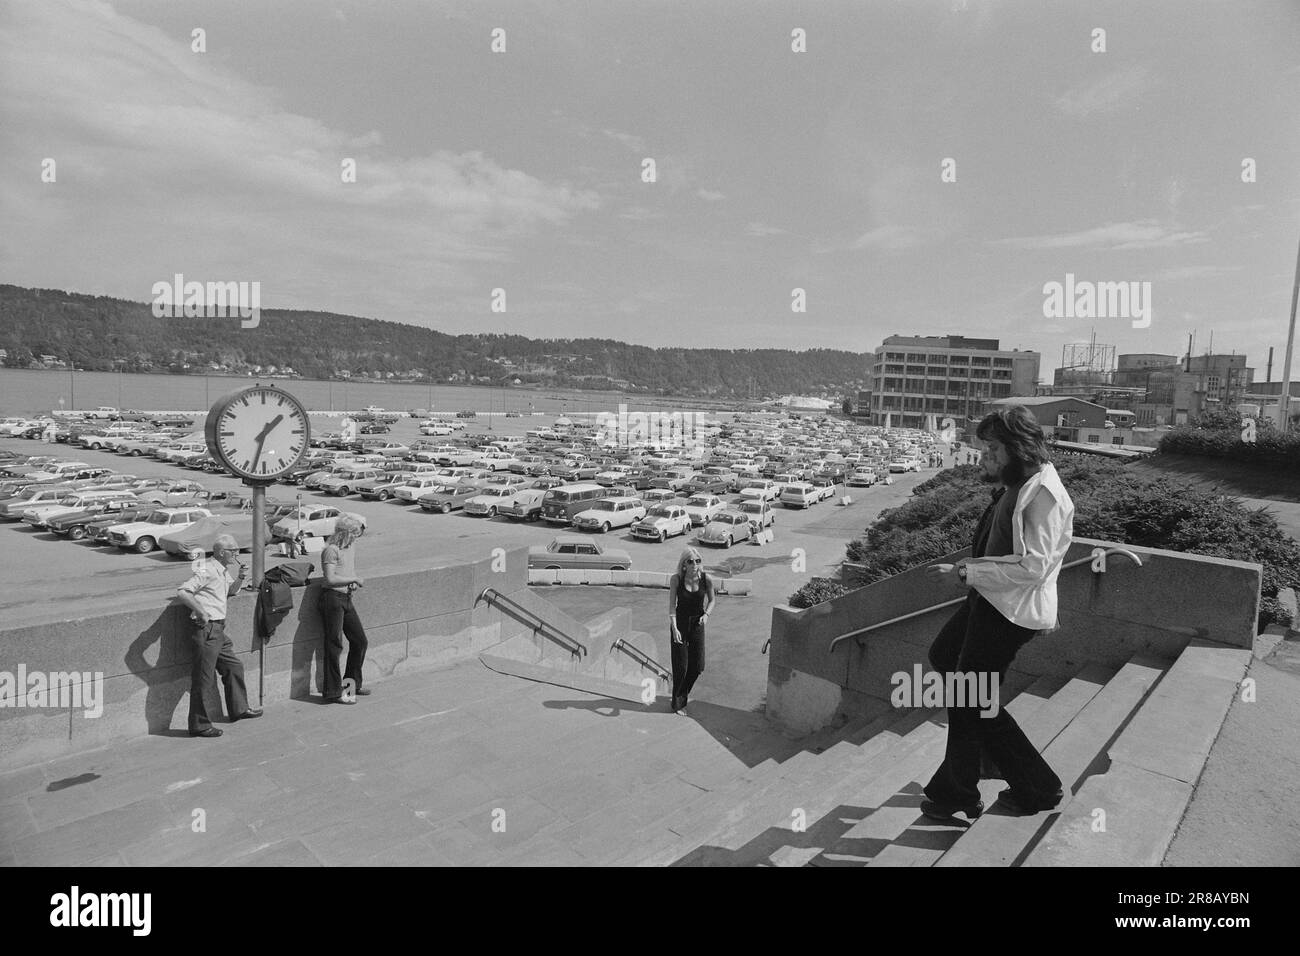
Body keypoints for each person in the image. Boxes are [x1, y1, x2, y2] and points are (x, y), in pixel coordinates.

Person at [920, 405, 1074, 819]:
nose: (983, 456)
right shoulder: (1021, 483)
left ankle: (973, 791)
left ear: (1016, 448)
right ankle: (1000, 782)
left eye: (991, 448)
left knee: (972, 699)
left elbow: (1034, 566)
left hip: (1009, 612)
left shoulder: (1042, 494)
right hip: (990, 599)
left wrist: (964, 572)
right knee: (948, 664)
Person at [176, 534, 262, 737]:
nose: (237, 553)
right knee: (203, 679)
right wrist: (201, 612)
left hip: (218, 630)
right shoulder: (206, 568)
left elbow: (230, 592)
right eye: (233, 550)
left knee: (234, 666)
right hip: (207, 629)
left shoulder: (222, 570)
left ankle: (239, 709)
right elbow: (183, 591)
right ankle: (200, 725)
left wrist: (241, 577)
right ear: (222, 552)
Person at [319, 515, 370, 703]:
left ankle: (351, 687)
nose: (356, 537)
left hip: (346, 597)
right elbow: (330, 579)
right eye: (354, 534)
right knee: (334, 645)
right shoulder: (330, 550)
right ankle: (332, 692)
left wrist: (352, 579)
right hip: (332, 599)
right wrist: (354, 579)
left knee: (360, 641)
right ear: (345, 533)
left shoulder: (349, 547)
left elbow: (347, 570)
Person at [667, 546, 714, 715]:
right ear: (684, 564)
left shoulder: (706, 579)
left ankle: (682, 694)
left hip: (697, 624)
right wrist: (674, 628)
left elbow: (712, 600)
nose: (695, 564)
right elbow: (672, 606)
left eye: (698, 561)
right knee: (681, 667)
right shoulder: (676, 580)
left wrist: (706, 615)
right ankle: (678, 703)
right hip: (679, 623)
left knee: (698, 666)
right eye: (691, 561)